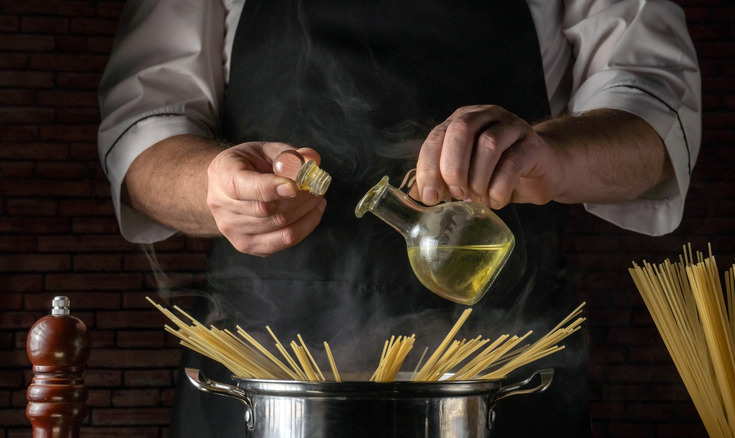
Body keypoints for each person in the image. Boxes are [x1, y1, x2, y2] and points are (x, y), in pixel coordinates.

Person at [97, 0, 701, 436]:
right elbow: (145, 127)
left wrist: (552, 153)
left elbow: (652, 107)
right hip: (267, 367)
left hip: (497, 370)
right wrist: (213, 188)